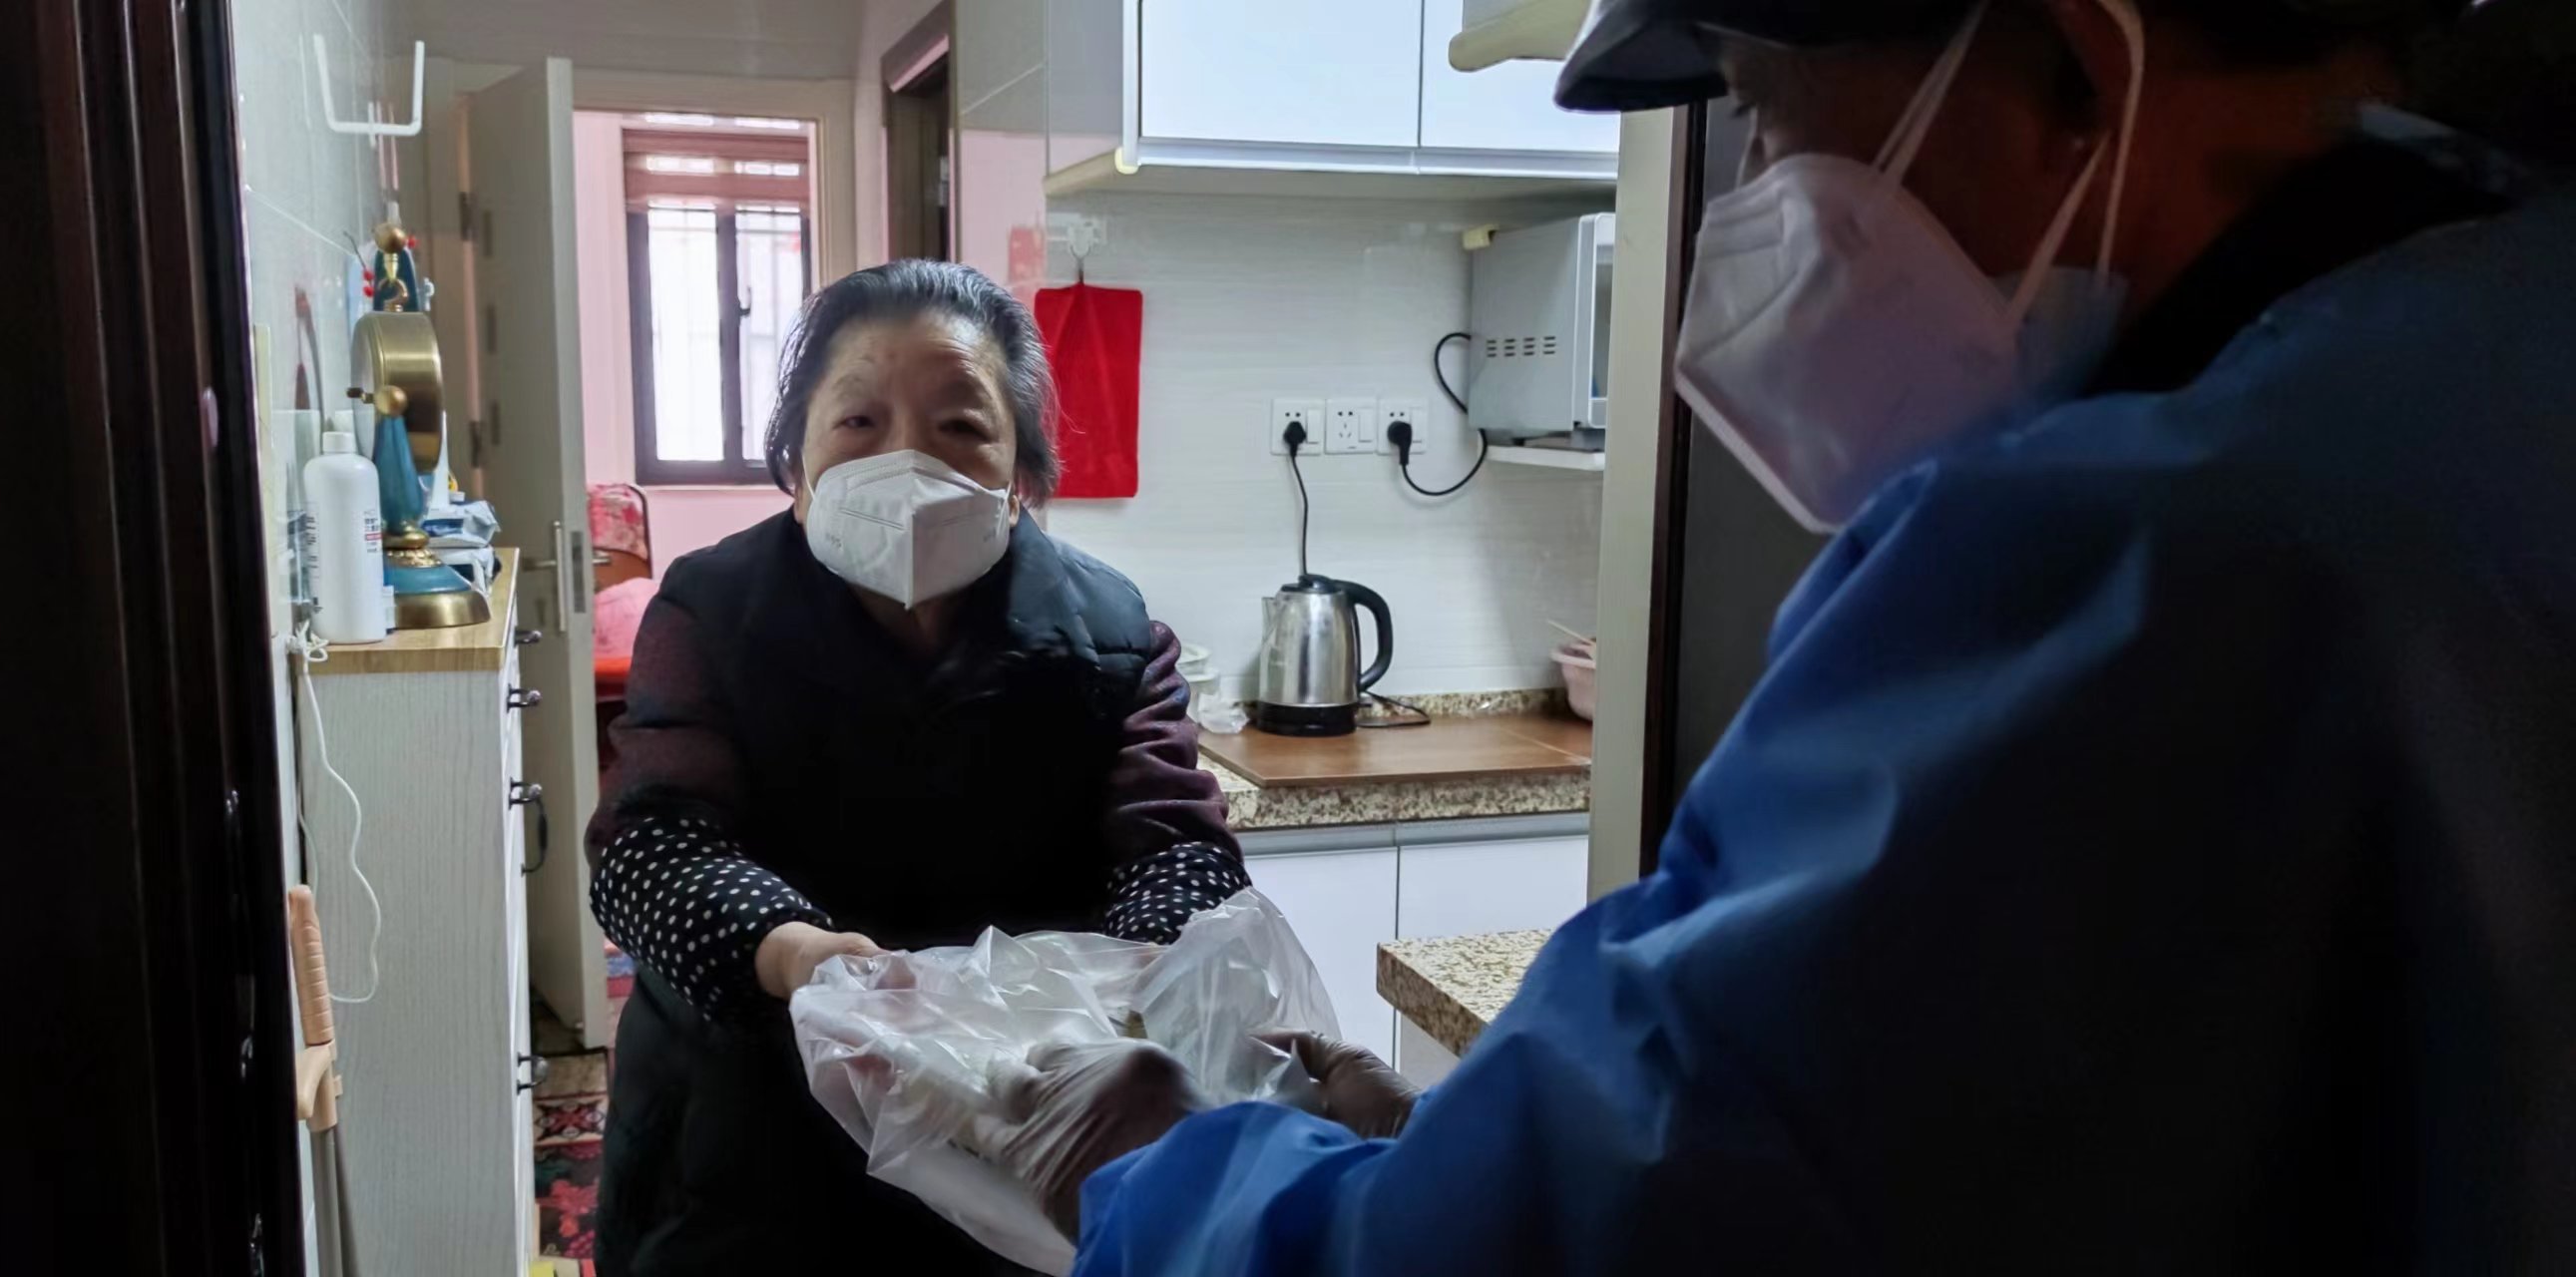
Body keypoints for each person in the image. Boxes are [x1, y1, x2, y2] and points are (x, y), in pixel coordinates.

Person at [955, 0, 2576, 1271]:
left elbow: (1636, 1213)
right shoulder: (2485, 356)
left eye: (1772, 125)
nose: (1742, 209)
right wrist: (1437, 1144)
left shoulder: (2124, 555)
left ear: (2079, 74)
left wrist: (1159, 1172)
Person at [583, 259, 1250, 1275]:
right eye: (858, 421)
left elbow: (1175, 846)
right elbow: (652, 843)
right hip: (748, 1143)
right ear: (798, 468)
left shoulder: (1111, 632)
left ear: (1019, 476)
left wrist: (1142, 972)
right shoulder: (710, 609)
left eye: (959, 426)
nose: (905, 460)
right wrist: (798, 956)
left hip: (1024, 1127)